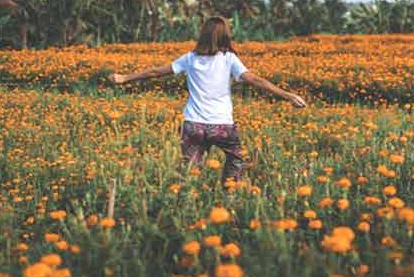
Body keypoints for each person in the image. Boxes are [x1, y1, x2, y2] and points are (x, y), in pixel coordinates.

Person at [109, 16, 307, 186]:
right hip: (221, 125)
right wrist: (288, 95)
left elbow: (155, 72)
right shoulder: (229, 59)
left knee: (189, 170)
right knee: (237, 158)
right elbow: (254, 80)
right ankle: (229, 193)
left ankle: (187, 202)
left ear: (203, 34)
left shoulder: (190, 58)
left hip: (193, 124)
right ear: (225, 36)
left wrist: (125, 78)